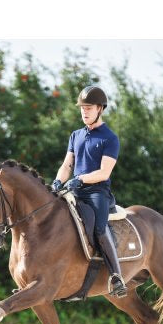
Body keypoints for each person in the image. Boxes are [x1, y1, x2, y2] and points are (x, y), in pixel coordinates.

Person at [51, 85, 128, 298]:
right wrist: (58, 181)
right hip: (74, 190)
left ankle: (116, 276)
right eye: (82, 108)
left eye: (89, 107)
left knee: (99, 229)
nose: (84, 111)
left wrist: (81, 179)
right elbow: (67, 165)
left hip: (96, 193)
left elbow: (104, 172)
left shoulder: (109, 138)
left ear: (100, 109)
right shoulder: (75, 135)